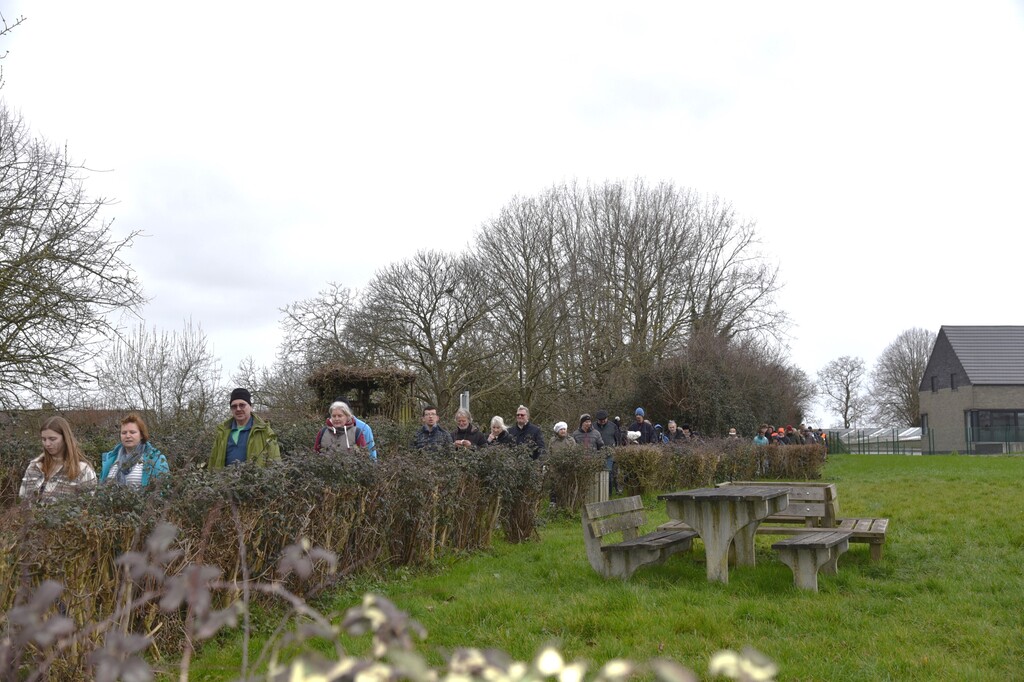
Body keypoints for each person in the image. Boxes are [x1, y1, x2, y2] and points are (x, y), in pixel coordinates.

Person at [20, 416, 98, 503]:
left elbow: (89, 508)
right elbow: (23, 502)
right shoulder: (34, 466)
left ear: (65, 438)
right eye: (44, 439)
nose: (47, 444)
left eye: (52, 439)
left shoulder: (83, 470)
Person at [209, 388, 282, 468]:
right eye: (234, 406)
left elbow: (275, 461)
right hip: (225, 479)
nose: (238, 409)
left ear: (251, 407)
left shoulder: (265, 431)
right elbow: (213, 460)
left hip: (255, 479)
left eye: (242, 405)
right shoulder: (222, 432)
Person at [100, 413, 170, 487]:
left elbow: (164, 489)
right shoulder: (111, 459)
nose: (128, 436)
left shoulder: (156, 459)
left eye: (132, 432)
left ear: (142, 435)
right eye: (124, 433)